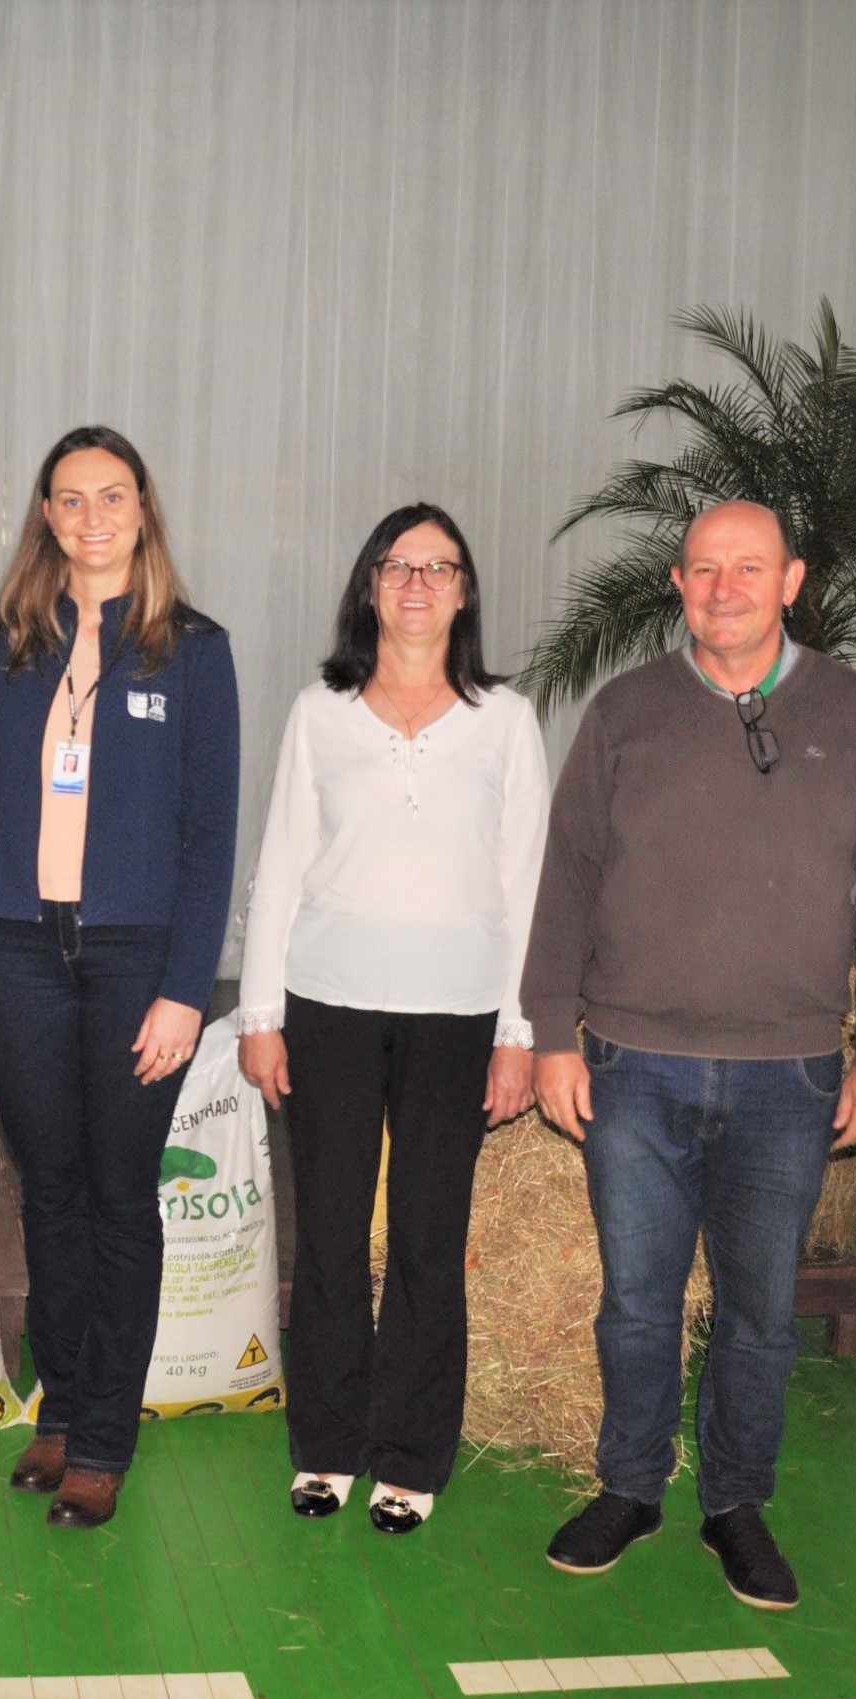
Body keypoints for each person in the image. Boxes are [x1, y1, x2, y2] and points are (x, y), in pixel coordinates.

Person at [521, 499, 856, 1610]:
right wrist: (552, 1031)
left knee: (757, 1316)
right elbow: (566, 876)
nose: (725, 588)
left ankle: (735, 1504)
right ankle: (631, 1486)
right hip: (632, 1065)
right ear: (678, 583)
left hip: (789, 1075)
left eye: (749, 567)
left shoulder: (855, 714)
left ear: (791, 580)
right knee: (636, 1305)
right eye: (704, 569)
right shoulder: (624, 712)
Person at [236, 503, 549, 1536]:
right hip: (326, 1003)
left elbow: (526, 881)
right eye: (398, 565)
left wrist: (517, 1032)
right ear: (370, 585)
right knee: (328, 1232)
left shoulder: (506, 719)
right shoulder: (319, 711)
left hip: (456, 1013)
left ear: (464, 591)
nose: (417, 583)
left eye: (438, 567)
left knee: (426, 1234)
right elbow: (281, 862)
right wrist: (260, 1011)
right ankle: (326, 1445)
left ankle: (410, 1454)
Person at [0, 425, 241, 1529]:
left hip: (137, 960)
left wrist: (186, 988)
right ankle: (62, 1408)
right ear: (45, 515)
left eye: (110, 496)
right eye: (69, 499)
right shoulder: (6, 641)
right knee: (50, 1189)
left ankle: (105, 1437)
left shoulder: (193, 650)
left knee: (121, 1197)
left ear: (142, 508)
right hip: (16, 949)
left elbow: (209, 836)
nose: (91, 517)